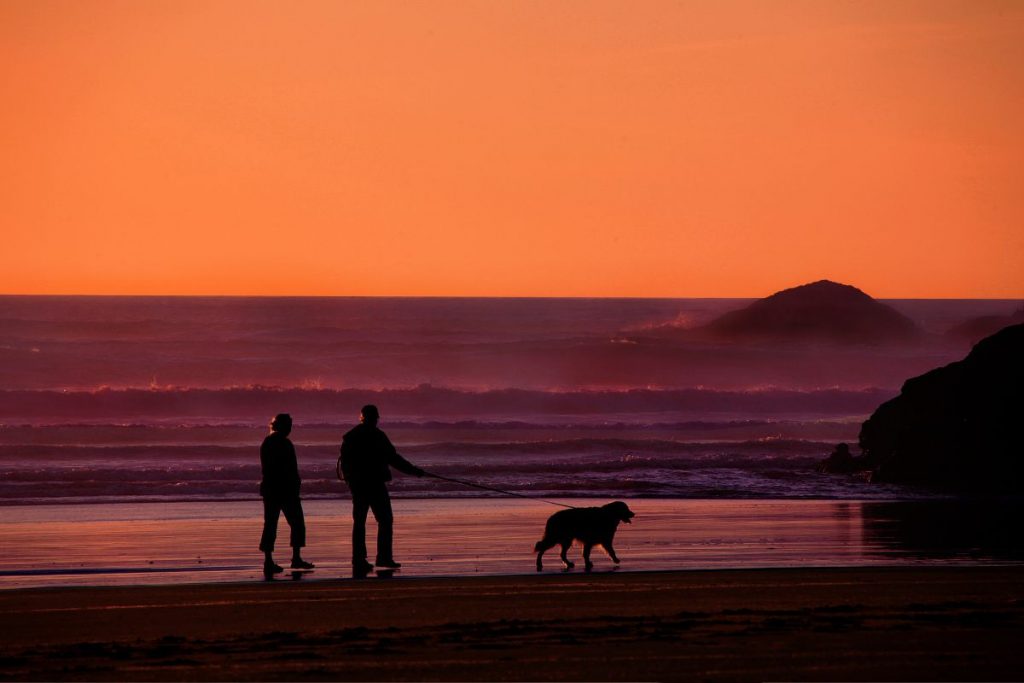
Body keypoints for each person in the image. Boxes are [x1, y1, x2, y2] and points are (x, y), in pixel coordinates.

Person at [339, 404, 425, 575]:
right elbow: (393, 459)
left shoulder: (351, 436)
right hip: (373, 484)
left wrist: (350, 481)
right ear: (372, 418)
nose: (375, 421)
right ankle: (381, 557)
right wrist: (414, 471)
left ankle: (361, 559)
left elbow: (345, 465)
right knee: (384, 520)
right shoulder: (377, 436)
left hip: (360, 485)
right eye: (374, 418)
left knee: (361, 522)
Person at [259, 413, 314, 574]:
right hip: (284, 489)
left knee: (271, 524)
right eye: (288, 425)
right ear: (281, 426)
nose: (290, 428)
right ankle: (295, 559)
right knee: (297, 523)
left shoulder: (268, 442)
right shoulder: (283, 442)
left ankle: (269, 561)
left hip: (271, 489)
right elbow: (288, 468)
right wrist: (294, 484)